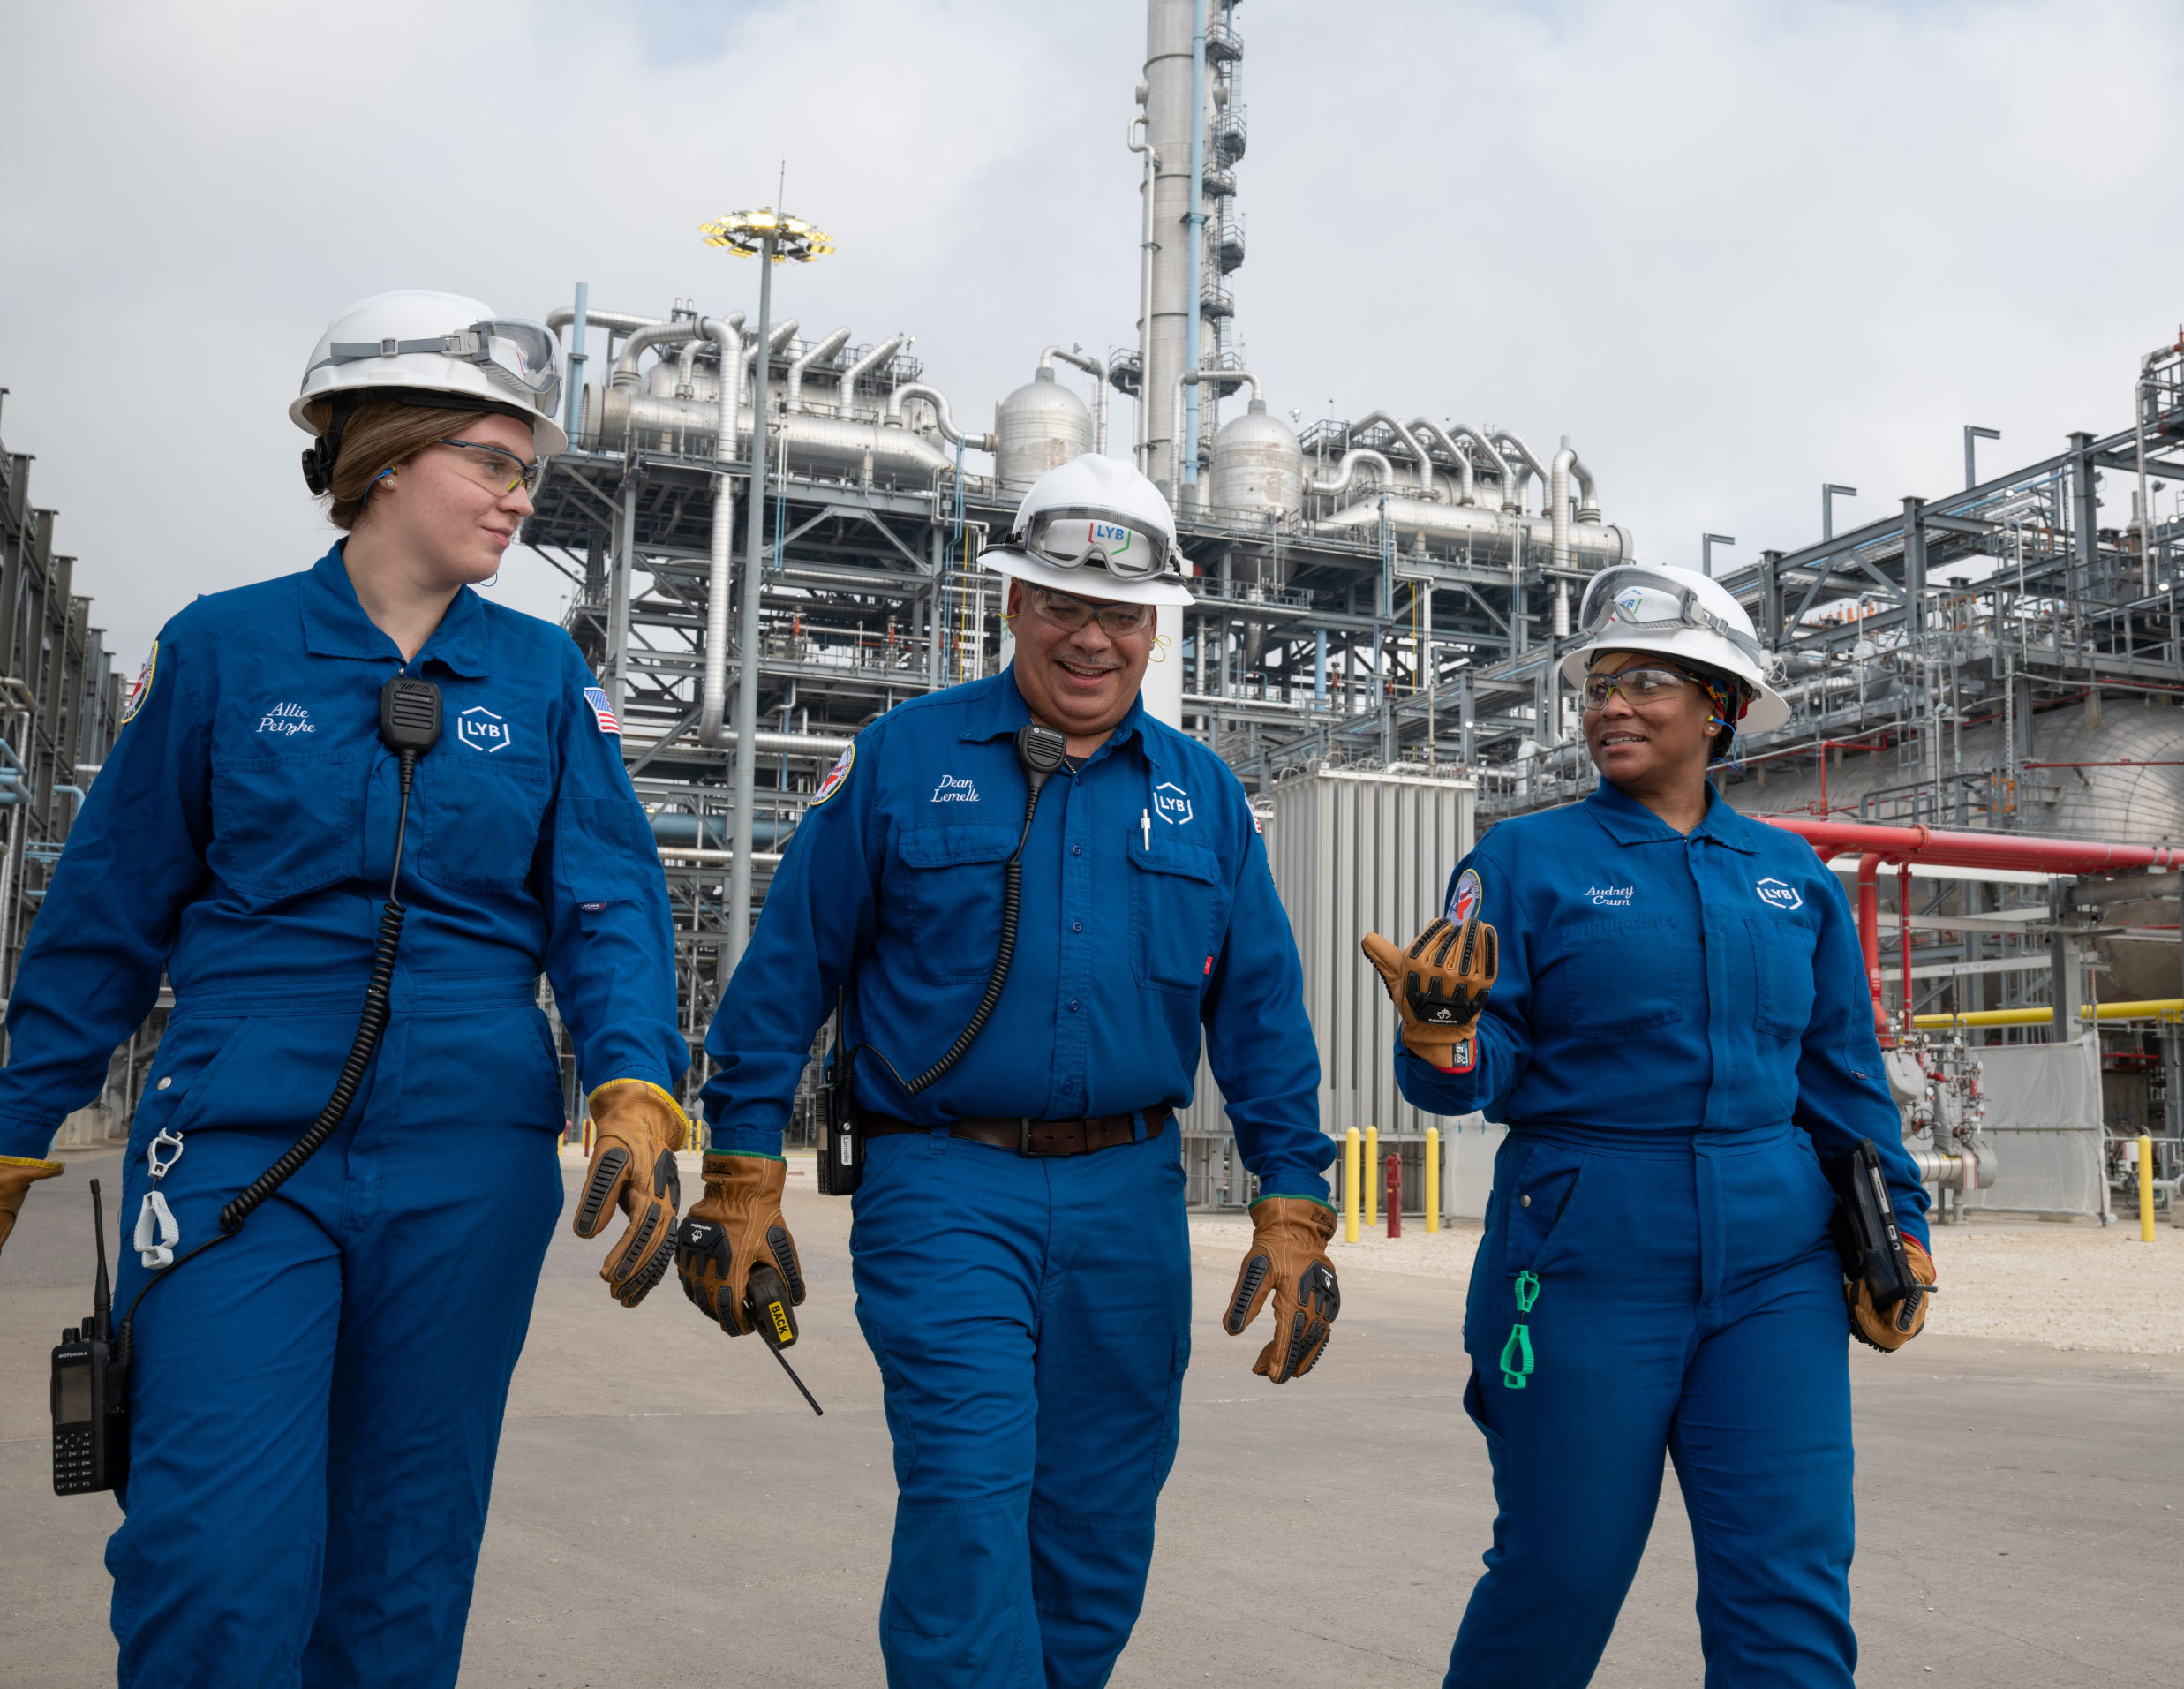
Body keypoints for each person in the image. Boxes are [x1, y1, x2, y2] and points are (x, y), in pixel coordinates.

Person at [0, 290, 689, 1687]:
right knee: (212, 1559)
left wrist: (633, 1076)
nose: (519, 496)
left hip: (466, 1154)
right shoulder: (222, 651)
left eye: (527, 470)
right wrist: (20, 1116)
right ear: (388, 457)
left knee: (400, 1565)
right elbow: (109, 906)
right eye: (493, 461)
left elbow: (608, 901)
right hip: (242, 1146)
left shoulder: (544, 677)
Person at [684, 452, 1340, 1689]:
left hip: (1128, 1196)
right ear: (1011, 607)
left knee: (1098, 1517)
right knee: (968, 1492)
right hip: (943, 1185)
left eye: (1119, 615)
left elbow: (1258, 1016)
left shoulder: (1202, 796)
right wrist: (738, 1169)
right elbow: (788, 971)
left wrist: (1293, 1198)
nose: (1090, 638)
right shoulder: (898, 757)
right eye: (1061, 604)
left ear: (1155, 629)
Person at [1363, 563, 1936, 1689]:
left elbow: (1842, 1079)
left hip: (1777, 1264)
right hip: (1584, 1252)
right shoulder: (1523, 862)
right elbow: (1472, 1075)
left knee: (1790, 1576)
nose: (1609, 705)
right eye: (1596, 686)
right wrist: (1437, 1042)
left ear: (1719, 704)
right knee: (1557, 1573)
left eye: (1645, 682)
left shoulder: (1787, 877)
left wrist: (1899, 1226)